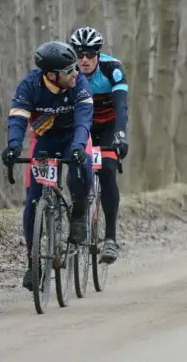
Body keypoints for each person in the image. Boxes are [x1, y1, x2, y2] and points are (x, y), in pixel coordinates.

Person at [1, 41, 94, 290]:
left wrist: (77, 146)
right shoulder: (30, 86)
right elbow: (18, 119)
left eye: (76, 67)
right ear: (52, 75)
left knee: (79, 170)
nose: (77, 73)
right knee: (33, 200)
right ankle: (34, 265)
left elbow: (84, 120)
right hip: (46, 140)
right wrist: (13, 146)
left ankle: (79, 214)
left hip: (74, 136)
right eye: (70, 70)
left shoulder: (79, 85)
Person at [68, 26, 129, 263]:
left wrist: (121, 136)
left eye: (90, 54)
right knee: (75, 170)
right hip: (81, 125)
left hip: (108, 126)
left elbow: (121, 107)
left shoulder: (112, 69)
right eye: (79, 54)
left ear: (98, 54)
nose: (84, 60)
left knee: (106, 170)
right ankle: (79, 216)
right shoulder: (68, 71)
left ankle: (111, 239)